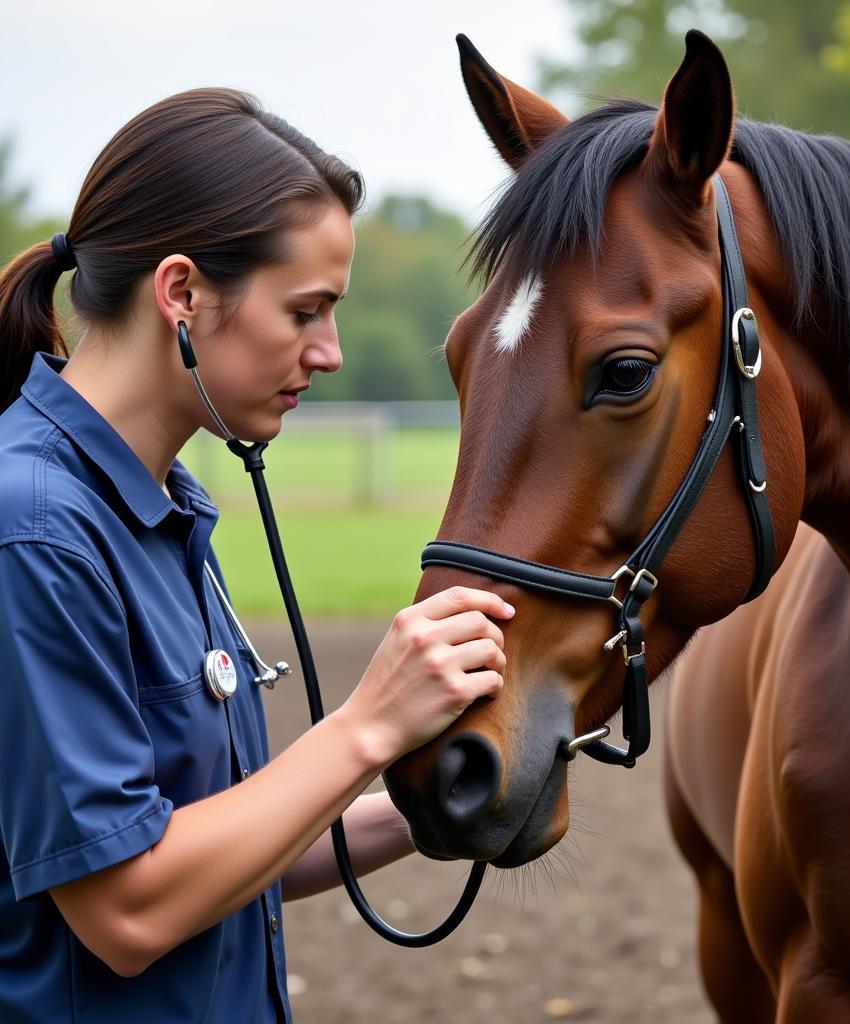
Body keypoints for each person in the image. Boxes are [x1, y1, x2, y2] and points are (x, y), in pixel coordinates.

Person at [0, 87, 511, 1023]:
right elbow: (129, 907)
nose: (332, 353)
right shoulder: (33, 528)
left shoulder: (165, 508)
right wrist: (366, 723)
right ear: (183, 294)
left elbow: (229, 854)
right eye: (306, 311)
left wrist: (449, 782)